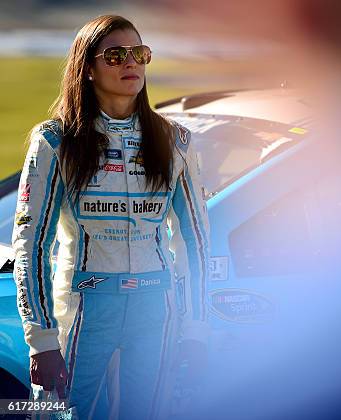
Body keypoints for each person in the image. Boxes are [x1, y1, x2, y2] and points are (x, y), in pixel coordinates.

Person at [11, 15, 210, 418]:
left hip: (156, 307)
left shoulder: (175, 140)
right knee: (64, 414)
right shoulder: (55, 139)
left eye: (139, 54)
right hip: (84, 306)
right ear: (87, 69)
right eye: (115, 55)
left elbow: (194, 240)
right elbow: (31, 243)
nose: (130, 64)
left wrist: (196, 327)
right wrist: (43, 340)